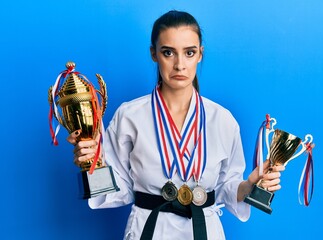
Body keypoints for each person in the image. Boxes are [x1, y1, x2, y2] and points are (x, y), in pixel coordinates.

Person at [68, 10, 284, 240]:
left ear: (200, 54)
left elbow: (226, 188)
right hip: (149, 230)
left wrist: (249, 186)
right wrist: (91, 165)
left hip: (204, 231)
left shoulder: (222, 119)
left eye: (189, 52)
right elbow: (118, 187)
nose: (180, 65)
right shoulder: (129, 115)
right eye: (168, 52)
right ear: (154, 54)